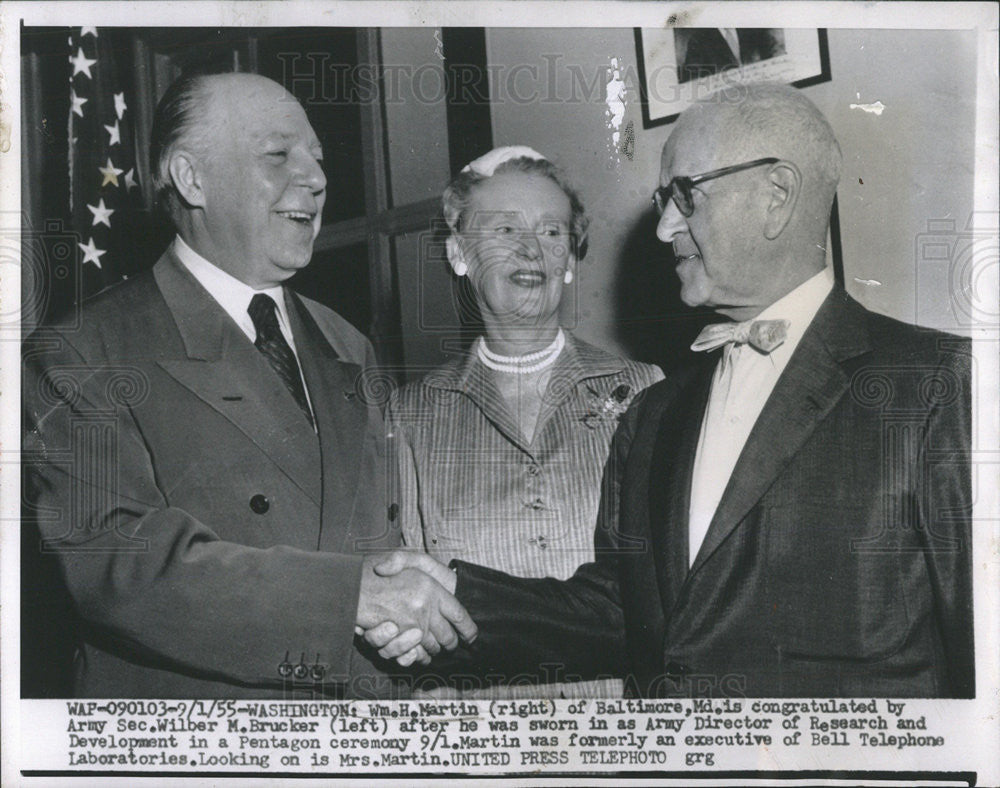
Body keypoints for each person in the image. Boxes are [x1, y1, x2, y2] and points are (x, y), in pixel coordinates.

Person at [367, 82, 974, 698]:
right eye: (663, 200)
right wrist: (450, 597)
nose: (662, 229)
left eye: (684, 195)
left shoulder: (938, 384)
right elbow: (618, 612)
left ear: (777, 197)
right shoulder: (658, 410)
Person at [21, 72, 474, 698]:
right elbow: (119, 564)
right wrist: (351, 598)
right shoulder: (83, 351)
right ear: (192, 178)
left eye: (317, 158)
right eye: (278, 155)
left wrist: (408, 622)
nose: (314, 179)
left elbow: (375, 544)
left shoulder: (348, 344)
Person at [385, 146, 662, 695]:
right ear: (460, 253)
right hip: (481, 738)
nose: (532, 250)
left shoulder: (643, 389)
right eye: (505, 230)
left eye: (553, 232)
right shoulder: (410, 413)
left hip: (624, 730)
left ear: (569, 260)